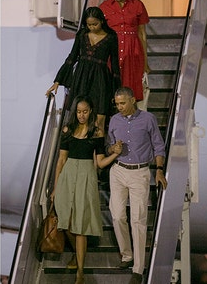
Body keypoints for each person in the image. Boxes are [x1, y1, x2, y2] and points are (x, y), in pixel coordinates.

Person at [51, 95, 122, 284]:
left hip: (86, 177)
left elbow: (99, 163)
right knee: (65, 222)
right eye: (79, 112)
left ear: (90, 112)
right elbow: (61, 160)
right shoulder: (67, 130)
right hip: (67, 177)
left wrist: (114, 154)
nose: (81, 115)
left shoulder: (96, 132)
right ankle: (76, 254)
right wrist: (55, 187)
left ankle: (80, 272)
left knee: (80, 226)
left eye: (85, 111)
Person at [107, 87, 168, 284]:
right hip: (118, 170)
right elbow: (108, 145)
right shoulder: (114, 120)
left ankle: (138, 269)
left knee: (138, 221)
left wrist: (159, 169)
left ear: (133, 100)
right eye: (117, 104)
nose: (119, 107)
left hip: (140, 172)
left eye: (122, 103)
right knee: (117, 216)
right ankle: (127, 255)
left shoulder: (148, 119)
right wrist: (112, 148)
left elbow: (159, 145)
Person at [46, 6, 120, 132]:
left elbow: (114, 64)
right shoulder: (82, 34)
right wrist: (58, 80)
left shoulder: (111, 36)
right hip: (81, 77)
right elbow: (72, 57)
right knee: (77, 116)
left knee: (99, 117)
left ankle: (98, 151)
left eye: (95, 24)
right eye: (89, 25)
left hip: (100, 78)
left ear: (102, 21)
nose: (92, 27)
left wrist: (116, 90)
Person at [99, 0, 150, 109]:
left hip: (133, 50)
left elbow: (142, 34)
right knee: (113, 84)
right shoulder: (104, 7)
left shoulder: (137, 5)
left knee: (132, 85)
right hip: (113, 50)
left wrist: (145, 61)